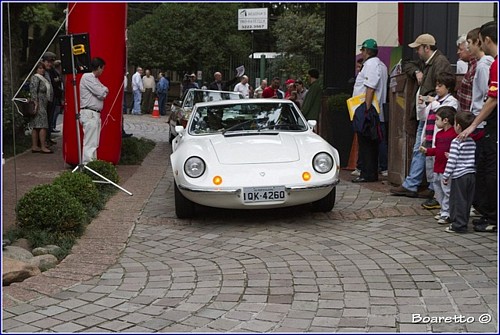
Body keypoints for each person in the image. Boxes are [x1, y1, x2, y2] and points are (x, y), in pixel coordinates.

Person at [391, 33, 453, 198]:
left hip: (432, 114)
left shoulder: (440, 63)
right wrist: (417, 71)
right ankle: (418, 184)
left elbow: (443, 89)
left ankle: (420, 185)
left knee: (426, 149)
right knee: (422, 149)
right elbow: (407, 65)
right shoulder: (430, 61)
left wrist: (426, 99)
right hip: (427, 113)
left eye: (418, 48)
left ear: (427, 48)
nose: (417, 51)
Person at [458, 21, 497, 233]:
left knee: (488, 172)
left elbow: (490, 98)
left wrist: (473, 124)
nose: (473, 46)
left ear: (486, 41)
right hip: (486, 123)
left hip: (487, 125)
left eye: (477, 42)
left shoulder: (488, 65)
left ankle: (490, 214)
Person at [419, 72, 458, 210]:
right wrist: (422, 105)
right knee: (431, 171)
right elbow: (423, 117)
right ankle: (439, 200)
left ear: (448, 87)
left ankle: (444, 206)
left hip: (441, 142)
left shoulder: (451, 101)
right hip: (429, 138)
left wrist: (433, 102)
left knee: (441, 173)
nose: (436, 88)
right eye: (436, 85)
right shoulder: (435, 99)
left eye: (440, 85)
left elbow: (444, 113)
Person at [350, 39, 388, 183]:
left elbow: (370, 87)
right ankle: (370, 172)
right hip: (375, 109)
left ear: (367, 51)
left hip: (368, 109)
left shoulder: (371, 64)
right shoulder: (381, 65)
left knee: (366, 143)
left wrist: (365, 110)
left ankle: (367, 173)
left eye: (362, 50)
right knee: (373, 142)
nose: (361, 53)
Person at [419, 107, 457, 224]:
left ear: (445, 120)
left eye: (437, 119)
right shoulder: (440, 134)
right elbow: (438, 150)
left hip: (447, 168)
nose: (435, 122)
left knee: (447, 191)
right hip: (438, 167)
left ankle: (447, 212)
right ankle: (443, 210)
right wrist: (428, 151)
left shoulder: (454, 134)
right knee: (438, 191)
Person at [443, 112, 476, 233]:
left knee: (458, 201)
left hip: (459, 175)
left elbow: (452, 162)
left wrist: (446, 175)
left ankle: (459, 225)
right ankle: (464, 221)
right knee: (467, 201)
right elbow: (467, 157)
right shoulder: (472, 141)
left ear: (459, 127)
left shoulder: (456, 142)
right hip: (471, 174)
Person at [79, 57, 109, 164]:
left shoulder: (95, 79)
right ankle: (87, 164)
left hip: (94, 113)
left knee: (94, 142)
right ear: (99, 67)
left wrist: (103, 90)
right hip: (89, 112)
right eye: (102, 68)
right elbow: (101, 92)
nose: (103, 71)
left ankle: (92, 164)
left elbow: (103, 90)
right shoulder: (87, 77)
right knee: (90, 142)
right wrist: (103, 90)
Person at [29, 62, 53, 154]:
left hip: (43, 103)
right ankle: (42, 146)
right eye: (40, 68)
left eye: (43, 68)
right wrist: (35, 103)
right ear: (36, 69)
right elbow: (33, 91)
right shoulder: (35, 78)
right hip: (39, 104)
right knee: (43, 125)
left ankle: (35, 146)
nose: (42, 70)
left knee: (36, 125)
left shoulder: (43, 78)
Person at [41, 51, 58, 146]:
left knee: (50, 119)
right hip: (45, 99)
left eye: (51, 62)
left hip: (51, 98)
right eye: (48, 62)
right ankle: (44, 140)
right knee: (45, 121)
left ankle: (48, 137)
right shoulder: (42, 71)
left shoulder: (51, 71)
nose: (49, 64)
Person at [455, 34, 474, 113]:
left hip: (470, 115)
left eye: (461, 49)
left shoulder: (477, 67)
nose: (458, 52)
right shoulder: (470, 65)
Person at [50, 59, 64, 133]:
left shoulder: (59, 74)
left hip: (58, 94)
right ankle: (52, 125)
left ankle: (53, 125)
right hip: (56, 95)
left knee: (57, 111)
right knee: (56, 111)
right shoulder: (55, 73)